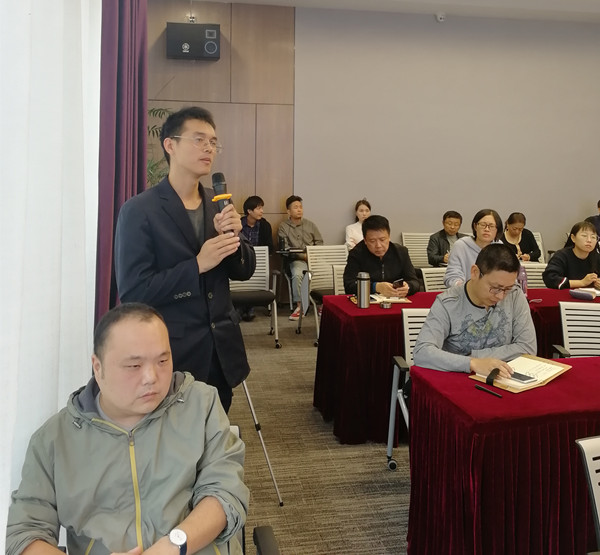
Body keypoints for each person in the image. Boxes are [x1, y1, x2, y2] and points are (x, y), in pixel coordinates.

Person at [6, 303, 249, 555]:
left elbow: (225, 493)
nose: (151, 377)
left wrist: (172, 546)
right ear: (98, 367)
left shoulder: (200, 404)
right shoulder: (55, 440)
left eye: (163, 360)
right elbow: (24, 535)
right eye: (134, 366)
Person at [114, 106, 256, 413]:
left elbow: (244, 270)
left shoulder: (218, 203)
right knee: (173, 438)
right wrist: (197, 265)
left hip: (221, 352)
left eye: (213, 142)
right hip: (172, 352)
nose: (209, 148)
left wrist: (235, 237)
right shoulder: (139, 210)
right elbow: (135, 292)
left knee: (215, 433)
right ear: (170, 145)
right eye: (199, 139)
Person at [414, 243, 537, 377]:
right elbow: (422, 352)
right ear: (475, 273)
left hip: (501, 378)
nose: (501, 296)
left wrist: (476, 356)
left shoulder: (515, 295)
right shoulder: (448, 303)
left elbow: (527, 347)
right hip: (456, 379)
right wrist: (471, 363)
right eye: (495, 288)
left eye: (507, 289)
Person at [343, 215, 420, 297]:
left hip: (396, 299)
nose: (378, 245)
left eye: (382, 240)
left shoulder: (401, 252)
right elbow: (349, 285)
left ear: (389, 237)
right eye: (372, 241)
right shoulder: (356, 254)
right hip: (367, 301)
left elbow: (415, 282)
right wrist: (376, 287)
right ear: (365, 240)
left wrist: (408, 287)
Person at [277, 195, 323, 320]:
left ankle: (324, 304)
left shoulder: (310, 225)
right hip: (296, 260)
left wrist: (313, 255)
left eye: (301, 207)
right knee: (298, 274)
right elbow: (285, 249)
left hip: (314, 259)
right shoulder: (283, 227)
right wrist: (304, 256)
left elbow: (319, 242)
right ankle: (300, 306)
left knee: (330, 271)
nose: (299, 210)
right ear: (288, 211)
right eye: (296, 207)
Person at [444, 209, 502, 288]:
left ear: (497, 229)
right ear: (475, 226)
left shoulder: (499, 247)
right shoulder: (461, 246)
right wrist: (465, 288)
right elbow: (452, 276)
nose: (487, 229)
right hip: (466, 292)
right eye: (483, 225)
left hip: (495, 293)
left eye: (491, 226)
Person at [240, 195, 274, 321]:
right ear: (249, 211)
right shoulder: (239, 224)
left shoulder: (265, 225)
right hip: (240, 260)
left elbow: (269, 247)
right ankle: (241, 305)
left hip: (258, 261)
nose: (262, 211)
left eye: (262, 208)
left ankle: (249, 307)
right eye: (258, 208)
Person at [542, 221, 600, 289]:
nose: (589, 240)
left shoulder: (596, 257)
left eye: (593, 237)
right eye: (584, 236)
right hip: (564, 294)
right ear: (573, 238)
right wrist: (581, 283)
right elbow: (550, 278)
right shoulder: (562, 256)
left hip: (589, 294)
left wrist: (597, 282)